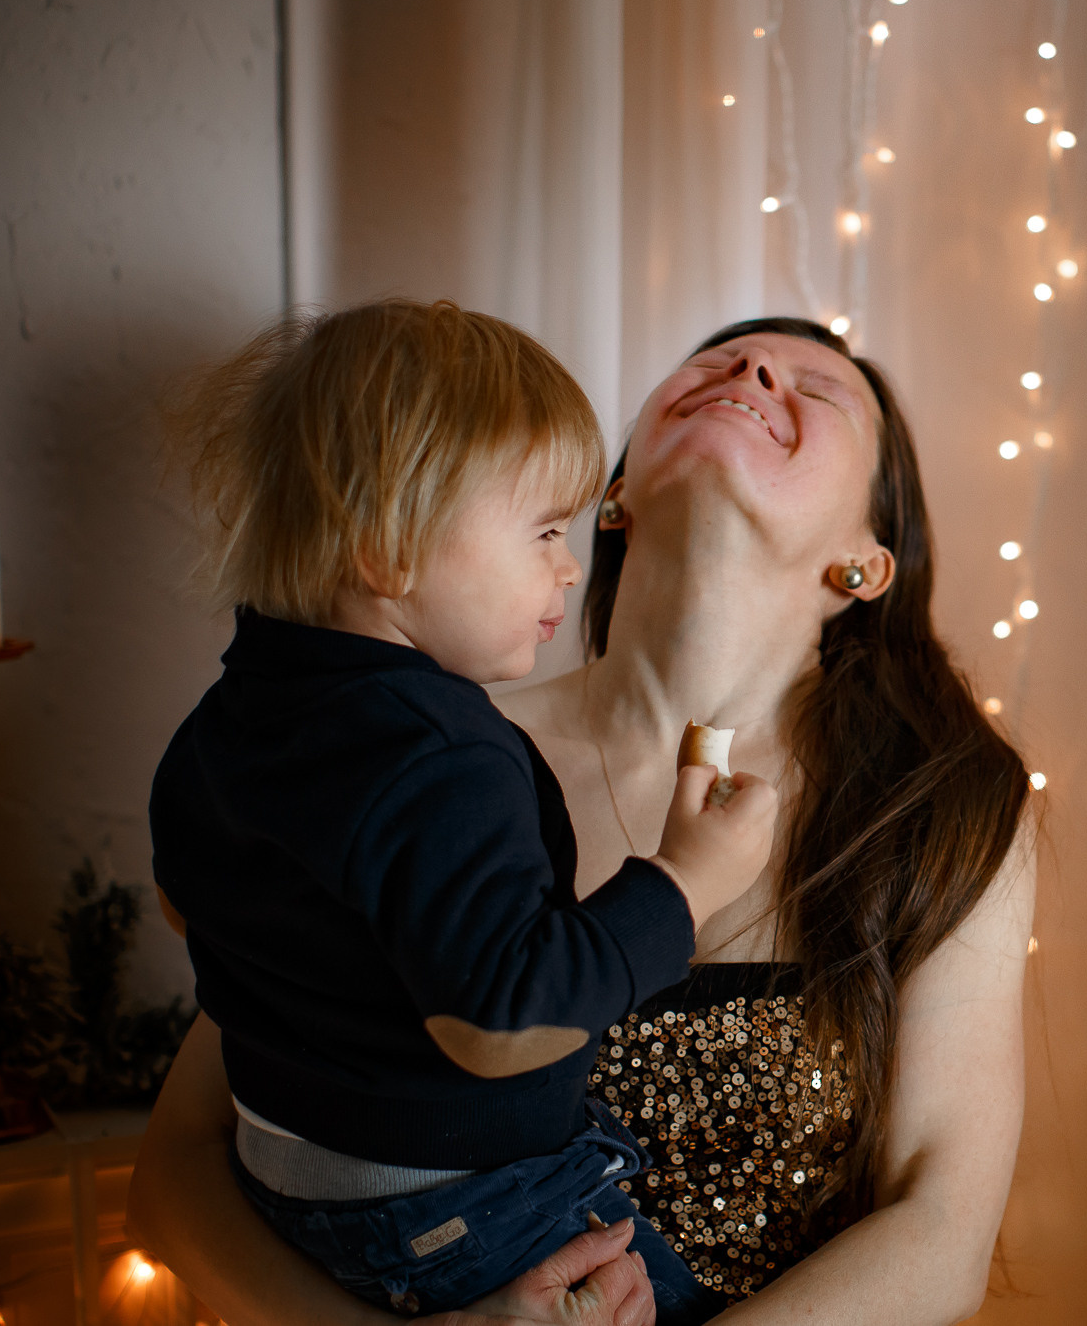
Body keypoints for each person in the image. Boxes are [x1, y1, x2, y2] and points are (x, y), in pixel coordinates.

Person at [129, 317, 1036, 1326]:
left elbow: (943, 1228)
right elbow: (183, 1167)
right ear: (610, 495)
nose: (752, 368)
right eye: (713, 363)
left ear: (866, 563)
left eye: (814, 390)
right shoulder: (417, 754)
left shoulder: (941, 803)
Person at [147, 300, 775, 1322]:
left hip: (298, 1194)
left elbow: (185, 899)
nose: (568, 567)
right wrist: (685, 880)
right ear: (388, 546)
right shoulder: (440, 750)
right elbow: (502, 1020)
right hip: (469, 1211)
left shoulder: (232, 714)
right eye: (540, 531)